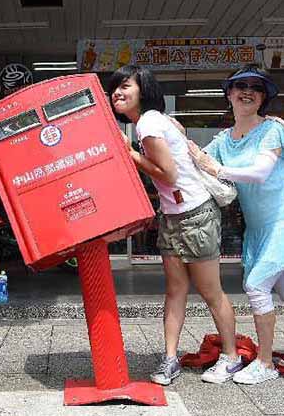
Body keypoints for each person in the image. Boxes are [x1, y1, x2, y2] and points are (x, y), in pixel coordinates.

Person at [108, 65, 242, 385]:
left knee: (210, 292)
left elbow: (167, 174)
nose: (117, 93)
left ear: (145, 90)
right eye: (114, 88)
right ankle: (170, 358)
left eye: (125, 86)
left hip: (195, 215)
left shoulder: (150, 123)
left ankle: (232, 357)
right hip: (174, 216)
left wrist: (130, 155)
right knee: (175, 291)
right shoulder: (156, 121)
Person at [189, 65, 284, 385]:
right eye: (239, 85)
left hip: (281, 222)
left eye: (256, 88)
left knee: (257, 285)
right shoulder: (223, 140)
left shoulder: (272, 130)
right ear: (228, 94)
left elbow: (259, 173)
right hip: (256, 229)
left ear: (263, 98)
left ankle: (266, 364)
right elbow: (194, 161)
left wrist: (216, 169)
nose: (247, 91)